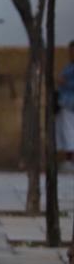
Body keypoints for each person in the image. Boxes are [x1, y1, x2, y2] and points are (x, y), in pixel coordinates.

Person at [59, 41, 74, 172]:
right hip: (67, 103)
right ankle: (69, 160)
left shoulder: (70, 69)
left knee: (69, 131)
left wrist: (64, 82)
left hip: (69, 102)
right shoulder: (68, 67)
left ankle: (69, 160)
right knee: (67, 131)